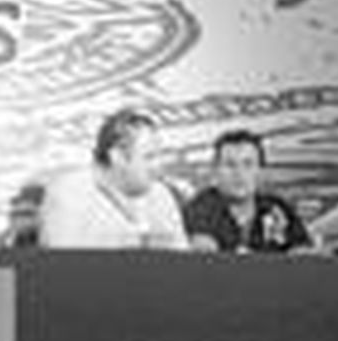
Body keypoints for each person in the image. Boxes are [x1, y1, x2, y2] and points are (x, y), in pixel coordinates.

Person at [38, 107, 190, 250]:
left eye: (160, 156)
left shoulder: (162, 195)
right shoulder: (69, 193)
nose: (159, 166)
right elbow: (66, 266)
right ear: (116, 157)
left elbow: (182, 262)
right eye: (149, 157)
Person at [183, 128, 311, 254]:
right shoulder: (200, 209)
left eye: (248, 164)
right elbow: (202, 254)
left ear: (260, 171)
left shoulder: (276, 209)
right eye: (230, 165)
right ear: (216, 171)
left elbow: (303, 254)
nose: (239, 174)